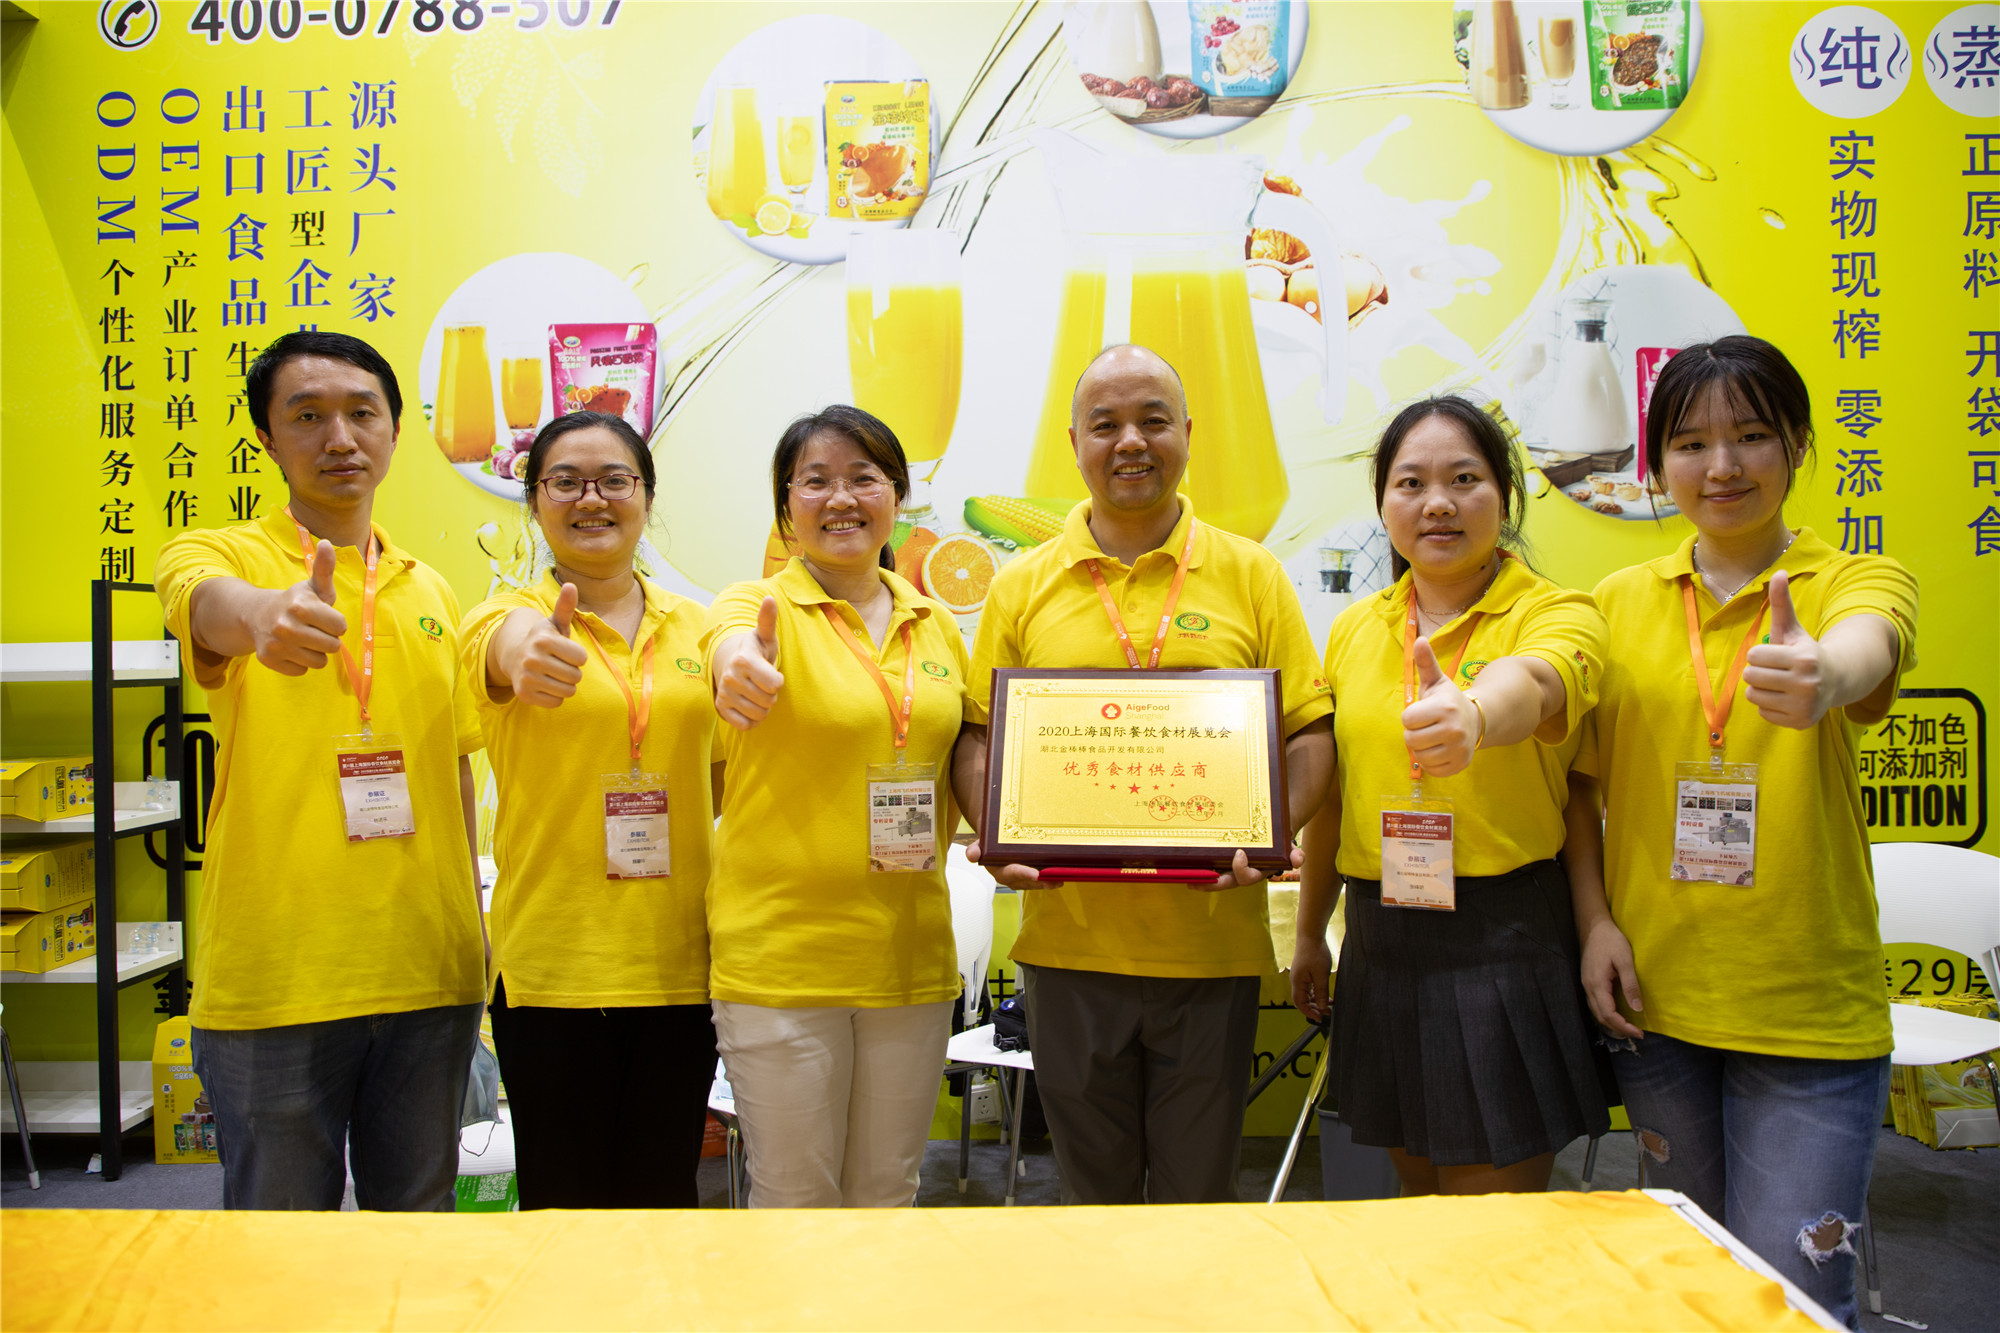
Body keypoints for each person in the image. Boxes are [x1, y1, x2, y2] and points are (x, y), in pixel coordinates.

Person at [1565, 337, 1915, 1329]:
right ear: (1654, 465)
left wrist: (1825, 672)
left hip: (1807, 1009)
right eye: (1690, 443)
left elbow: (1867, 646)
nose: (1721, 466)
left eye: (1751, 436)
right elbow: (1579, 788)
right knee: (1691, 1282)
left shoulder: (1850, 579)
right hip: (1658, 1003)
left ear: (1797, 444)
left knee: (1796, 1296)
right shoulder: (1615, 604)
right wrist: (1593, 923)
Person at [959, 344, 1335, 1205]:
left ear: (1188, 434)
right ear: (1075, 444)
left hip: (1211, 945)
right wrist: (1000, 834)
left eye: (1153, 420)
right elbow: (979, 739)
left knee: (1199, 1197)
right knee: (1092, 1199)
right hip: (1068, 945)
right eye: (1106, 424)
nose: (1131, 441)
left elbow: (1310, 735)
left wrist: (1267, 836)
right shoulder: (1021, 585)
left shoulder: (1253, 572)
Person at [153, 331, 485, 1210]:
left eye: (361, 413)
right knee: (279, 1241)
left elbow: (453, 770)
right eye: (307, 416)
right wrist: (264, 615)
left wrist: (473, 933)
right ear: (268, 438)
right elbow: (207, 604)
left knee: (416, 1223)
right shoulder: (222, 556)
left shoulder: (432, 591)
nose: (339, 437)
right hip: (278, 974)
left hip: (427, 971)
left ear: (395, 432)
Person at [1293, 395, 1609, 1197]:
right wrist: (1309, 933)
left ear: (1505, 497)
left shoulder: (1557, 611)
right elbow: (1335, 799)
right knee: (1418, 1202)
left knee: (1493, 1219)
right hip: (1381, 933)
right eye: (1411, 483)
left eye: (1464, 479)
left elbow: (1537, 682)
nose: (1437, 503)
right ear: (1383, 505)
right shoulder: (1354, 629)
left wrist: (1475, 713)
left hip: (1503, 936)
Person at [702, 405, 970, 1208]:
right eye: (815, 481)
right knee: (794, 1199)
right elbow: (728, 648)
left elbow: (967, 761)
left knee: (889, 1192)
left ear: (898, 495)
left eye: (864, 477)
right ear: (786, 507)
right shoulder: (754, 607)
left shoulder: (937, 624)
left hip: (908, 959)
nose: (841, 498)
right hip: (781, 960)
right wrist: (739, 666)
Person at [460, 411, 717, 1209]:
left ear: (647, 495)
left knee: (664, 1193)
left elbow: (726, 776)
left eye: (613, 480)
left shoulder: (702, 629)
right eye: (565, 482)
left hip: (681, 964)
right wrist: (529, 652)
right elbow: (507, 647)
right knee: (562, 1202)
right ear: (534, 500)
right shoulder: (499, 616)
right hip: (553, 967)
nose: (591, 498)